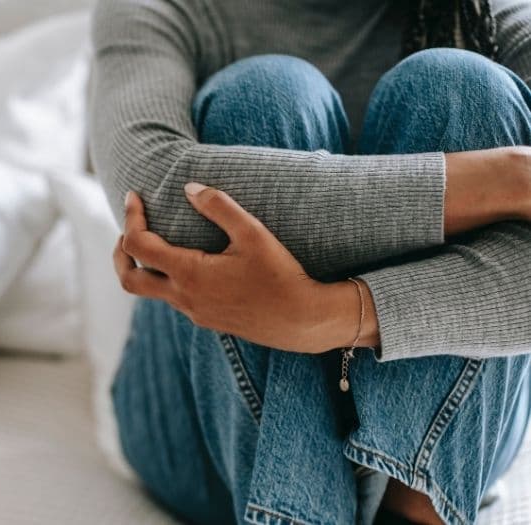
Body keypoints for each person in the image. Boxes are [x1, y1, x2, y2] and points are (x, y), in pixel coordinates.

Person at [88, 0, 531, 523]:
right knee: (264, 96)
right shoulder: (163, 8)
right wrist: (507, 179)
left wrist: (326, 314)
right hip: (198, 428)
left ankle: (412, 507)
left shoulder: (487, 11)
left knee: (466, 88)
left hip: (443, 452)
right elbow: (156, 199)